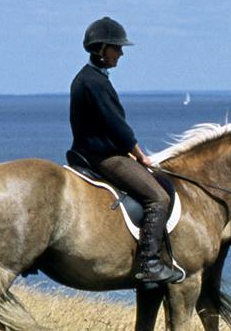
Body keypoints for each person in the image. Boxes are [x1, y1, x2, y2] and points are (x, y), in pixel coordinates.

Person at [67, 16, 184, 285]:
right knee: (158, 198)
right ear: (101, 48)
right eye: (116, 48)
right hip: (104, 157)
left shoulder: (89, 78)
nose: (120, 53)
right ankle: (150, 263)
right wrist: (140, 155)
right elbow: (117, 126)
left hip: (94, 151)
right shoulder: (95, 82)